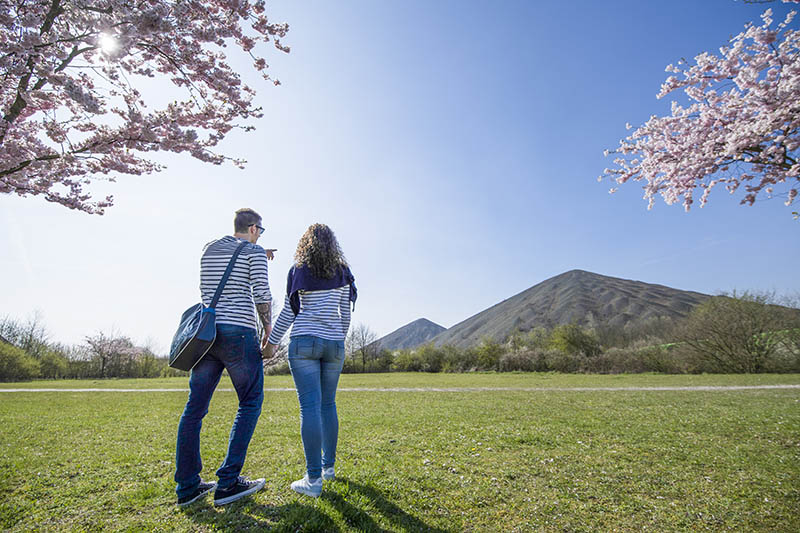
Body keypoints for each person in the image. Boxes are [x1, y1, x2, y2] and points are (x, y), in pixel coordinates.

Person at [175, 208, 276, 507]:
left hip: (206, 335)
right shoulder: (252, 253)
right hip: (239, 333)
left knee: (194, 409)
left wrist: (259, 251)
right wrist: (268, 331)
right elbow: (261, 293)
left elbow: (225, 267)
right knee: (250, 401)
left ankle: (187, 486)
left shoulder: (209, 249)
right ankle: (228, 482)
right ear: (254, 228)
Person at [265, 223, 356, 498]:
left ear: (306, 243)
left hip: (304, 342)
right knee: (329, 405)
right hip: (334, 345)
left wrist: (271, 344)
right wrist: (337, 340)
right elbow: (346, 314)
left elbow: (289, 312)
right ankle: (328, 469)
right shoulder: (343, 272)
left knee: (310, 408)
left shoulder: (298, 270)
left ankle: (313, 480)